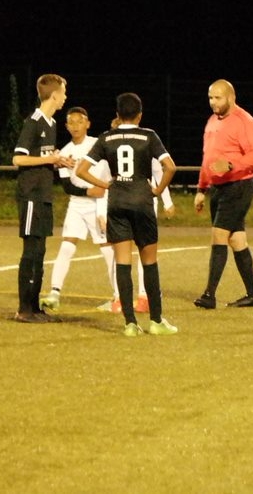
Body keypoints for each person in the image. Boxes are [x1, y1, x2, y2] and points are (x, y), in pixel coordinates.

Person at [76, 92, 178, 337]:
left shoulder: (107, 137)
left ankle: (130, 323)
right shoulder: (148, 135)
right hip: (142, 201)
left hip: (117, 202)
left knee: (123, 261)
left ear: (118, 114)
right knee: (149, 261)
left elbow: (81, 170)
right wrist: (158, 191)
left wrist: (107, 185)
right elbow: (170, 167)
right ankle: (156, 321)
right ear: (140, 115)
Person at [40, 106, 120, 313]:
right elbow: (67, 186)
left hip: (99, 204)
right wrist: (88, 191)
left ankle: (119, 298)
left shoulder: (97, 145)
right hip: (77, 204)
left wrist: (103, 205)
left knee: (107, 249)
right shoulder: (64, 153)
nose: (75, 125)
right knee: (66, 246)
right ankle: (54, 293)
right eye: (71, 122)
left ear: (88, 124)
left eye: (80, 121)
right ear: (66, 126)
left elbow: (108, 175)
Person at [193, 79, 253, 309]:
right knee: (236, 240)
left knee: (219, 235)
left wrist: (231, 165)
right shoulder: (212, 121)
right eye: (210, 98)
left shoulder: (244, 120)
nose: (213, 102)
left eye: (218, 98)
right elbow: (208, 157)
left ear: (231, 97)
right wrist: (201, 188)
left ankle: (209, 295)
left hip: (238, 186)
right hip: (218, 188)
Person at [11, 73, 68, 323]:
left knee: (41, 252)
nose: (65, 97)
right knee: (31, 251)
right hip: (31, 195)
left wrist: (58, 161)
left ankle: (34, 308)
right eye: (63, 92)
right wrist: (50, 159)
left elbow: (44, 158)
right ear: (54, 95)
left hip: (44, 195)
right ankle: (24, 309)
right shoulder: (33, 122)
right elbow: (18, 158)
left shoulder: (51, 123)